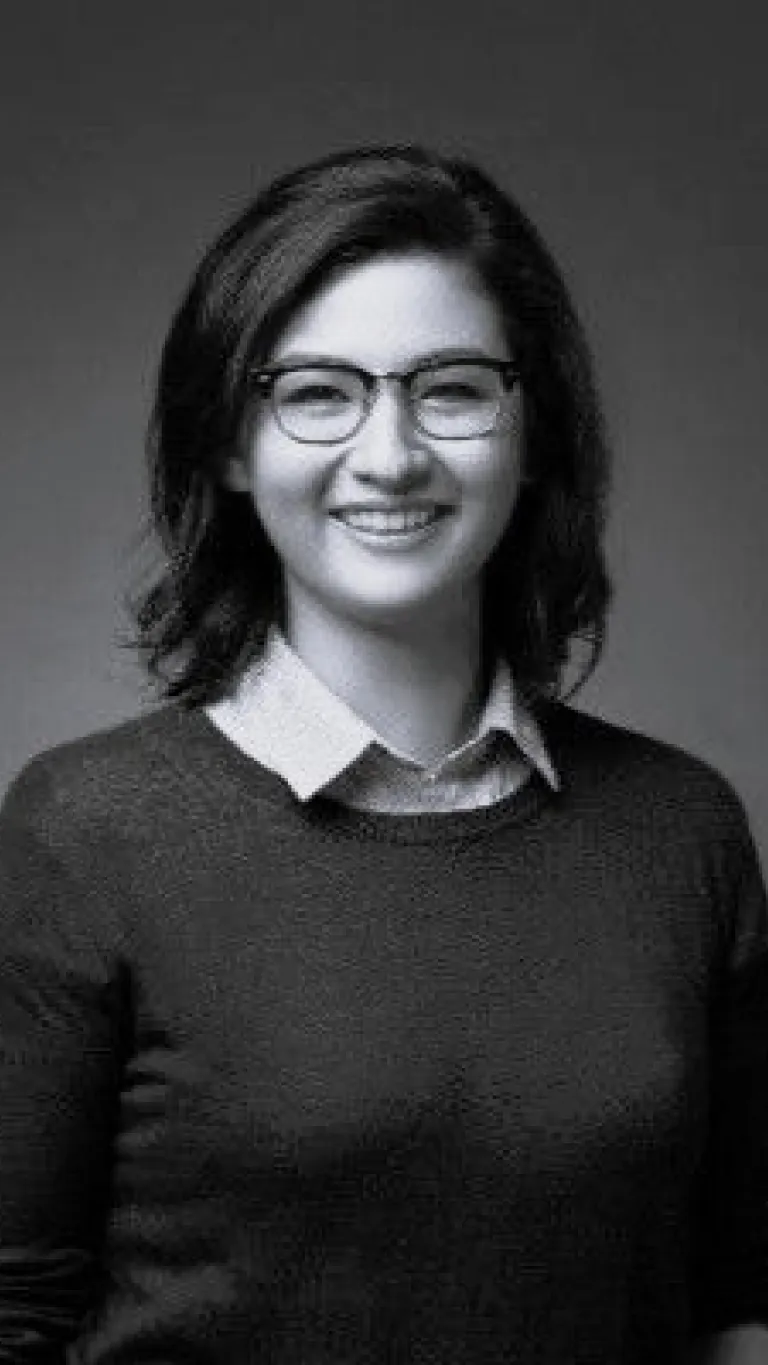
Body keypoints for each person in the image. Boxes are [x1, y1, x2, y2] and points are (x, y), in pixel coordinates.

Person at [0, 144, 766, 1365]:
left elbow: (738, 1302)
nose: (392, 453)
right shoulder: (86, 833)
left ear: (532, 432)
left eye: (452, 388)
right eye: (317, 392)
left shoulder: (682, 833)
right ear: (231, 444)